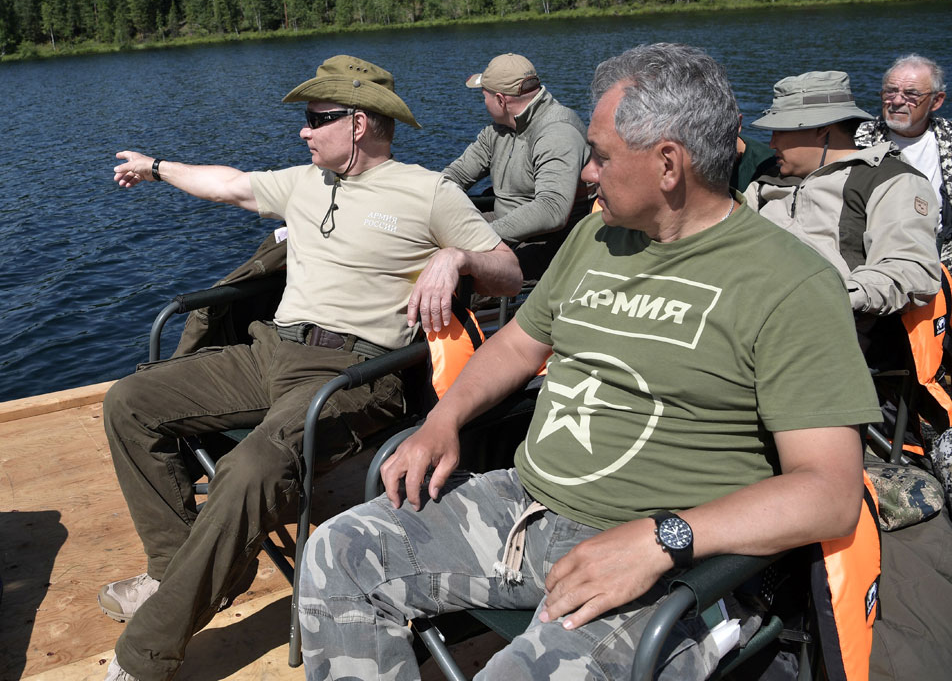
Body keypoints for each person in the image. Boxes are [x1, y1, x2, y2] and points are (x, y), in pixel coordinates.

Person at [297, 43, 881, 681]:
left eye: (600, 155)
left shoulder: (789, 284)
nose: (585, 174)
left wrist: (663, 538)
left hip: (669, 567)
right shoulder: (594, 237)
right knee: (337, 552)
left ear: (668, 164)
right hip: (524, 508)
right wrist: (445, 418)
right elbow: (520, 344)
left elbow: (829, 493)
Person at [100, 55, 521, 681]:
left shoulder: (427, 191)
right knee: (128, 401)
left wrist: (456, 257)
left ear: (359, 123)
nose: (304, 130)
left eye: (316, 118)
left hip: (353, 372)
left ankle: (147, 653)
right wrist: (156, 168)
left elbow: (509, 271)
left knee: (251, 469)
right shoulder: (304, 183)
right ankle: (180, 568)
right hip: (271, 350)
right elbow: (229, 184)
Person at [745, 70, 939, 348]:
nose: (772, 142)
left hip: (833, 336)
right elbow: (726, 233)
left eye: (781, 130)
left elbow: (910, 271)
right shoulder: (767, 178)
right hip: (750, 318)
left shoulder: (890, 180)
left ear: (822, 129)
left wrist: (831, 296)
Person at [442, 53, 590, 279]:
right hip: (505, 228)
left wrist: (484, 239)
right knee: (426, 241)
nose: (483, 103)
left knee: (456, 275)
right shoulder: (498, 130)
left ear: (501, 100)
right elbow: (456, 175)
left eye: (484, 96)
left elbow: (552, 209)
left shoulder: (557, 132)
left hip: (552, 246)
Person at [855, 55, 951, 260]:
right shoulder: (857, 141)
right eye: (891, 91)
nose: (897, 101)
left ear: (936, 101)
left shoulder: (948, 139)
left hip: (943, 257)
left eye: (911, 94)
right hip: (875, 256)